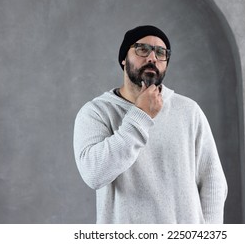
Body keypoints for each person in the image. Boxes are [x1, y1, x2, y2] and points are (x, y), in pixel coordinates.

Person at [73, 25, 227, 224]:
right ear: (123, 59)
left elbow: (212, 180)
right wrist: (141, 115)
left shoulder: (189, 110)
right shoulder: (96, 112)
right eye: (142, 49)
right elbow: (95, 174)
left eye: (161, 53)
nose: (152, 57)